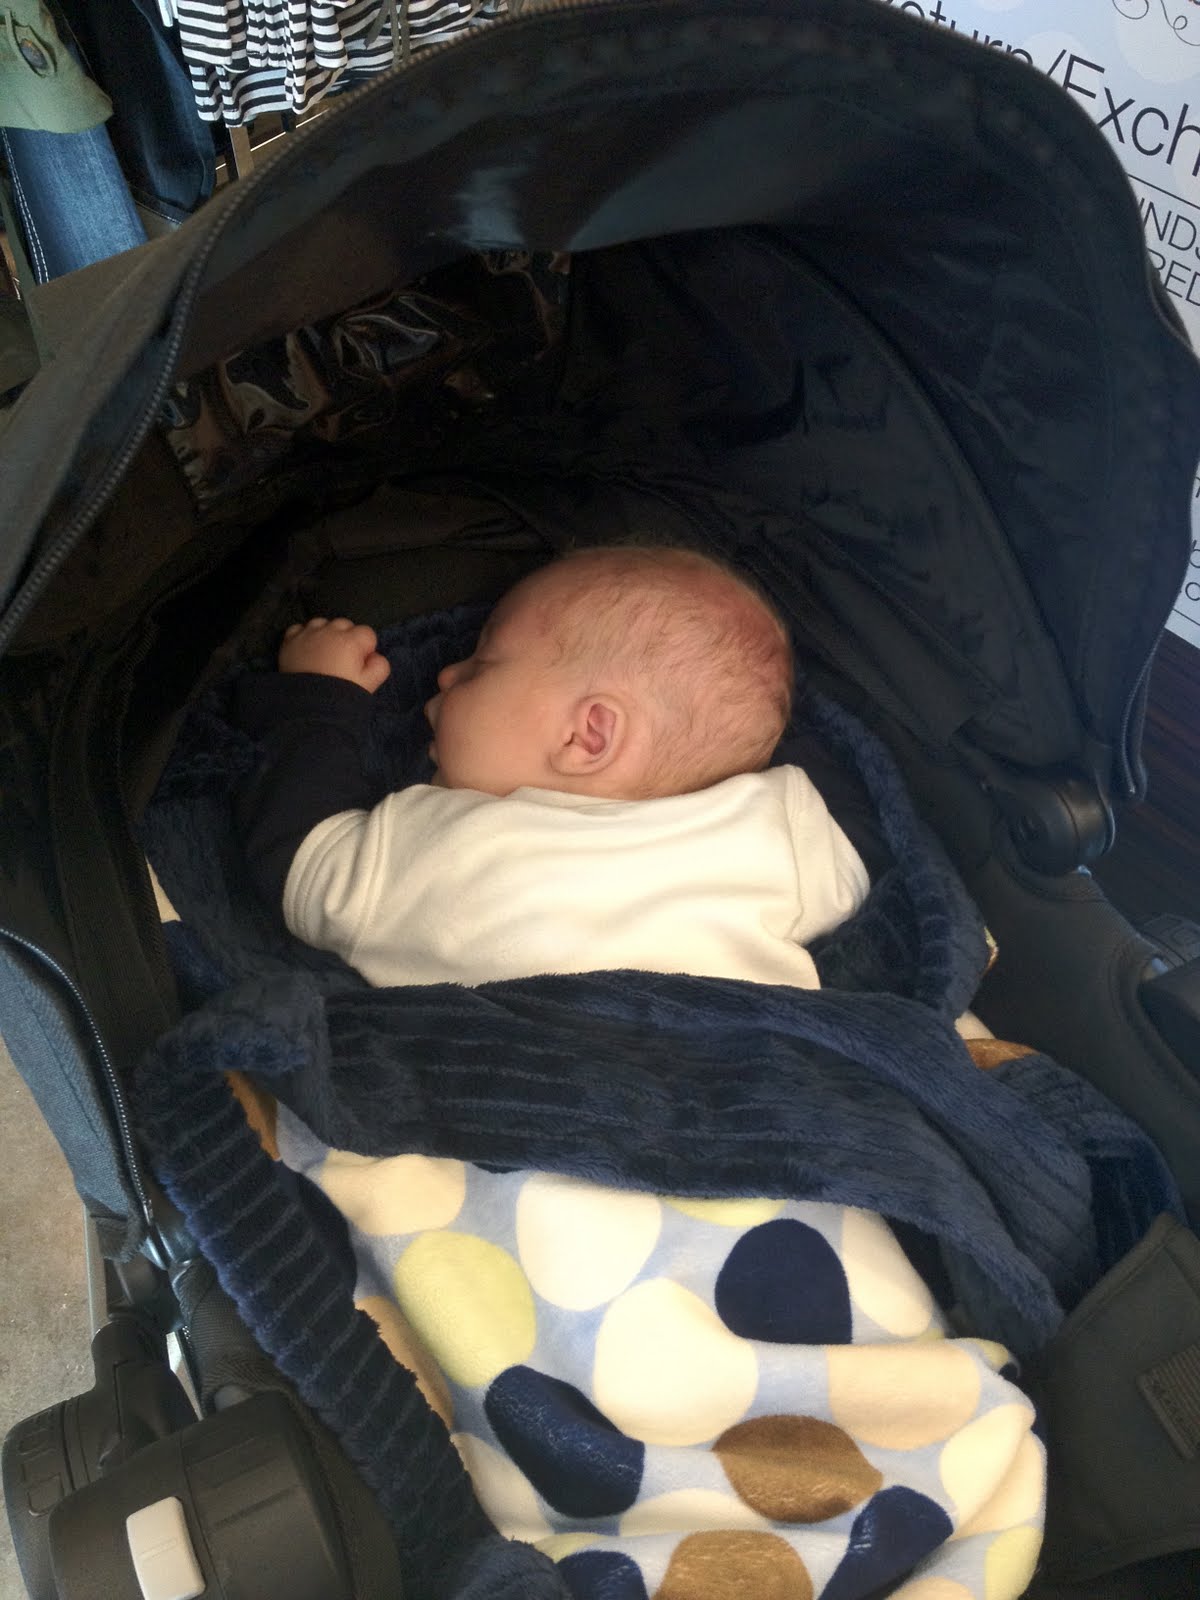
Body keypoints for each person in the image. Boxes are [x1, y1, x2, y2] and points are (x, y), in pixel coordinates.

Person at [234, 543, 870, 988]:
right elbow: (861, 879)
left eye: (482, 666)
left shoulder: (463, 852)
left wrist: (318, 697)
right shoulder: (772, 827)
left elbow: (304, 860)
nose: (447, 674)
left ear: (587, 736)